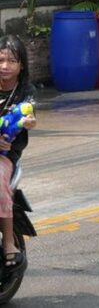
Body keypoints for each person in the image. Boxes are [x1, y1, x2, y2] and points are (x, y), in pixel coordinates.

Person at [0, 35, 37, 268]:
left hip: (5, 155)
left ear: (21, 64)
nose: (5, 66)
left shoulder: (25, 91)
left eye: (11, 61)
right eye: (1, 59)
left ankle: (8, 244)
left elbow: (29, 115)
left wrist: (29, 121)